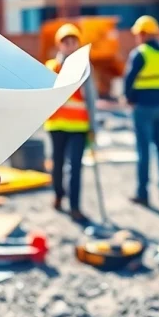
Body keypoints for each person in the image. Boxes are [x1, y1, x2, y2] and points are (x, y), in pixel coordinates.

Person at [43, 23, 98, 223]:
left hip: (78, 127)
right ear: (59, 45)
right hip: (56, 126)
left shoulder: (84, 68)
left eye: (73, 41)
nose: (70, 45)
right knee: (57, 165)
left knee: (75, 168)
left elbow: (91, 98)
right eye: (66, 42)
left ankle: (75, 206)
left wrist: (93, 127)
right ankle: (58, 195)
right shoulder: (52, 67)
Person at [122, 15, 159, 205]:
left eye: (138, 34)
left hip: (143, 107)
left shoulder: (140, 54)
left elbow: (128, 81)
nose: (137, 38)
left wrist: (130, 99)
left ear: (144, 34)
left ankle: (142, 193)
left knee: (143, 150)